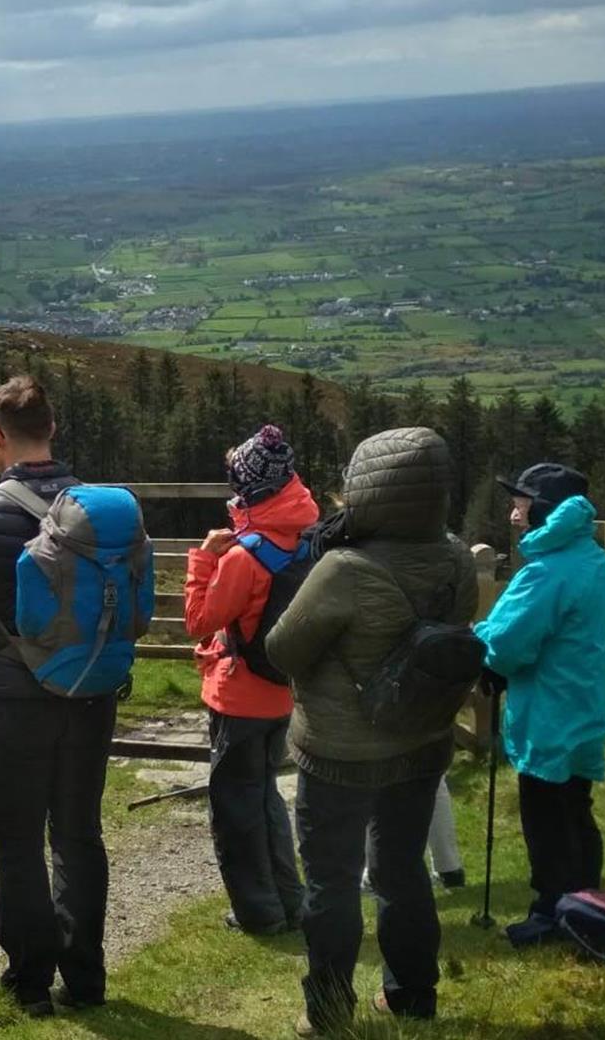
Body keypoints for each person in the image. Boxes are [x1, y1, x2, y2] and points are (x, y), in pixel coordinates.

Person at [266, 427, 477, 1037]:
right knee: (402, 870)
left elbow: (282, 650)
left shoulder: (344, 568)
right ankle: (412, 995)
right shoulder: (457, 558)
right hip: (421, 740)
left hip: (338, 752)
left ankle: (329, 1011)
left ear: (368, 489)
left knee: (331, 883)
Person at [0, 375, 112, 1017]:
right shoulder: (98, 508)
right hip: (90, 692)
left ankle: (31, 981)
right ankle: (87, 978)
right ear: (53, 430)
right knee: (78, 834)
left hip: (11, 696)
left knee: (15, 841)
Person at [477, 463, 605, 947]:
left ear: (541, 508)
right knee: (576, 806)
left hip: (550, 712)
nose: (513, 512)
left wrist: (483, 652)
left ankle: (552, 914)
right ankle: (584, 902)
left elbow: (510, 642)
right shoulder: (592, 558)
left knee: (546, 814)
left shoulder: (548, 570)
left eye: (520, 502)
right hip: (586, 704)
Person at [183, 424, 312, 936]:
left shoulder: (244, 555)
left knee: (236, 808)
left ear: (248, 486)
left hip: (237, 695)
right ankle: (289, 901)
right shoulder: (307, 539)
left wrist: (204, 559)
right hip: (282, 690)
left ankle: (258, 912)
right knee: (265, 799)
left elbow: (199, 622)